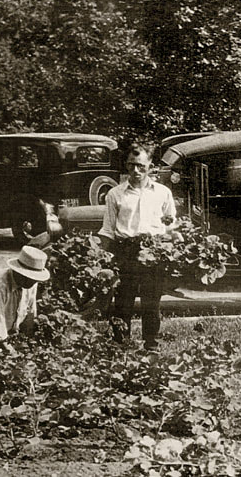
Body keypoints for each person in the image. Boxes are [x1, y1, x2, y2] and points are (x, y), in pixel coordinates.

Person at [98, 144, 176, 350]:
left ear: (151, 165)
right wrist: (101, 259)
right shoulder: (115, 194)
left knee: (152, 303)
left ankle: (151, 345)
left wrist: (173, 248)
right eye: (131, 165)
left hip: (155, 252)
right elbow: (108, 229)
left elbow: (171, 227)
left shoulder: (163, 193)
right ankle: (120, 344)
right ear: (126, 165)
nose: (136, 171)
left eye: (141, 166)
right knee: (123, 302)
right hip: (126, 251)